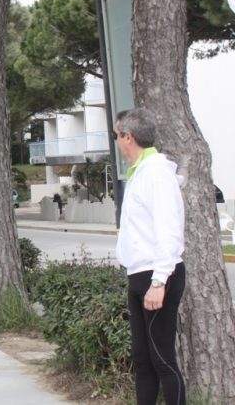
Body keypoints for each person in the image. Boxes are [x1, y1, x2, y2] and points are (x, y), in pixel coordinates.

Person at [114, 108, 186, 405]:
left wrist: (159, 282)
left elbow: (169, 232)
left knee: (163, 360)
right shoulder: (139, 173)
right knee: (143, 361)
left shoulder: (155, 174)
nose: (116, 141)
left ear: (127, 137)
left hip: (158, 276)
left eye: (116, 135)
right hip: (138, 275)